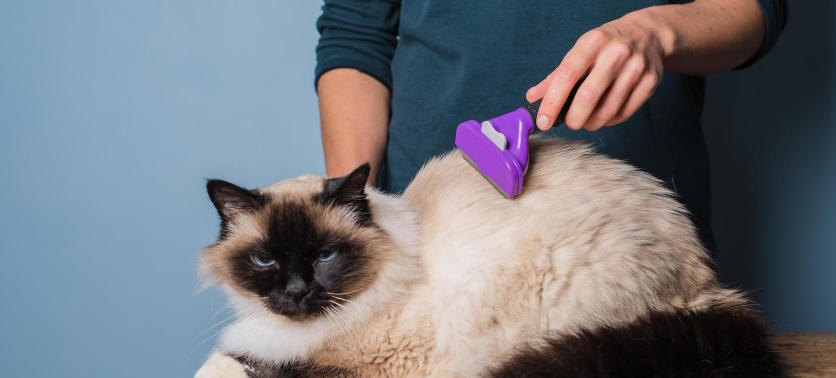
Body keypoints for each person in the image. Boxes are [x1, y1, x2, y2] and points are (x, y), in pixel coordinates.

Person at [314, 1, 787, 251]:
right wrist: (353, 216)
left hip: (629, 237)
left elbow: (752, 9)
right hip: (432, 234)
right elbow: (356, 33)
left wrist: (654, 33)